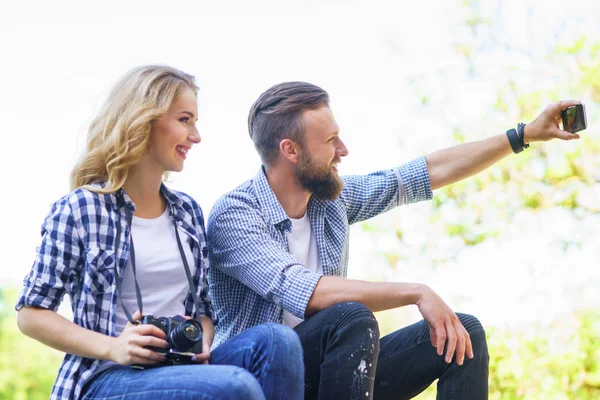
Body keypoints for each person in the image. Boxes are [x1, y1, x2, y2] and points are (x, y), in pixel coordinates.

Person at [206, 81, 582, 399]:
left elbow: (423, 173)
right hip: (260, 378)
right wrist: (416, 291)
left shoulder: (330, 201)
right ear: (291, 150)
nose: (344, 150)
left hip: (329, 374)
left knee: (459, 336)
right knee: (349, 316)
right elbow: (306, 292)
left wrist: (522, 135)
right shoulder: (235, 215)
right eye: (331, 140)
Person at [15, 66, 304, 400]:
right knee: (235, 386)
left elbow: (205, 314)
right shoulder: (81, 208)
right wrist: (114, 347)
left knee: (278, 340)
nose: (196, 136)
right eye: (185, 120)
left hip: (183, 369)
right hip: (108, 376)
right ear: (143, 120)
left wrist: (201, 339)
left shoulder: (187, 212)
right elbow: (31, 314)